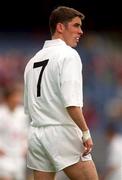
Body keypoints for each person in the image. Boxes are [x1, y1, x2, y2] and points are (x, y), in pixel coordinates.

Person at [24, 6, 99, 180]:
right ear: (60, 27)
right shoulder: (68, 54)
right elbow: (71, 103)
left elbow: (28, 108)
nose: (81, 31)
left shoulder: (32, 61)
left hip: (36, 134)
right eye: (76, 26)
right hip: (62, 132)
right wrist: (85, 132)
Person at [0, 84, 29, 180]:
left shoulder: (22, 114)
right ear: (7, 98)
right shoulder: (1, 113)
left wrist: (24, 147)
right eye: (14, 96)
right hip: (4, 156)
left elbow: (25, 133)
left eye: (18, 96)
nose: (17, 99)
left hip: (18, 156)